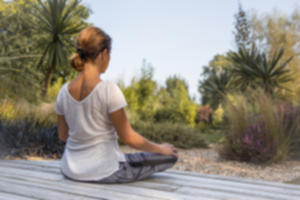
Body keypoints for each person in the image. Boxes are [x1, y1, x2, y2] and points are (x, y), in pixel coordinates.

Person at [55, 26, 178, 184]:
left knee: (127, 157)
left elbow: (63, 136)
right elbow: (129, 138)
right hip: (105, 172)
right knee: (170, 156)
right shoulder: (108, 90)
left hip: (70, 169)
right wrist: (160, 149)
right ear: (104, 54)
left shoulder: (63, 92)